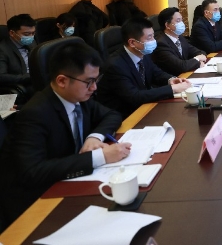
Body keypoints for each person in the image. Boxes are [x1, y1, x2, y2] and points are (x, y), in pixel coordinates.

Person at [0, 43, 129, 227]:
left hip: (72, 181)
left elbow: (112, 115)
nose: (94, 88)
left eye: (96, 80)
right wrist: (99, 157)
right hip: (37, 203)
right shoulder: (35, 114)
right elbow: (32, 172)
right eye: (89, 82)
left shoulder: (78, 97)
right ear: (62, 81)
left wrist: (95, 137)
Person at [96, 17, 191, 119]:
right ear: (132, 43)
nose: (154, 41)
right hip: (125, 116)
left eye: (153, 36)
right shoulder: (115, 66)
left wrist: (171, 80)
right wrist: (172, 89)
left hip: (143, 107)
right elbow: (134, 97)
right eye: (149, 38)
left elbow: (156, 72)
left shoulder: (142, 53)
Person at [151, 7, 208, 76]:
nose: (182, 23)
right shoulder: (161, 44)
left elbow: (200, 52)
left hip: (185, 75)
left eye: (181, 20)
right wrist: (197, 60)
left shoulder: (180, 38)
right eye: (178, 21)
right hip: (173, 79)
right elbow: (181, 66)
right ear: (167, 25)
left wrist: (200, 57)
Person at [0, 14, 37, 103]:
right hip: (23, 84)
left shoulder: (32, 42)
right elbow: (1, 76)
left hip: (37, 79)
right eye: (26, 34)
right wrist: (28, 77)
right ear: (12, 33)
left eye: (33, 33)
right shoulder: (2, 50)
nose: (31, 37)